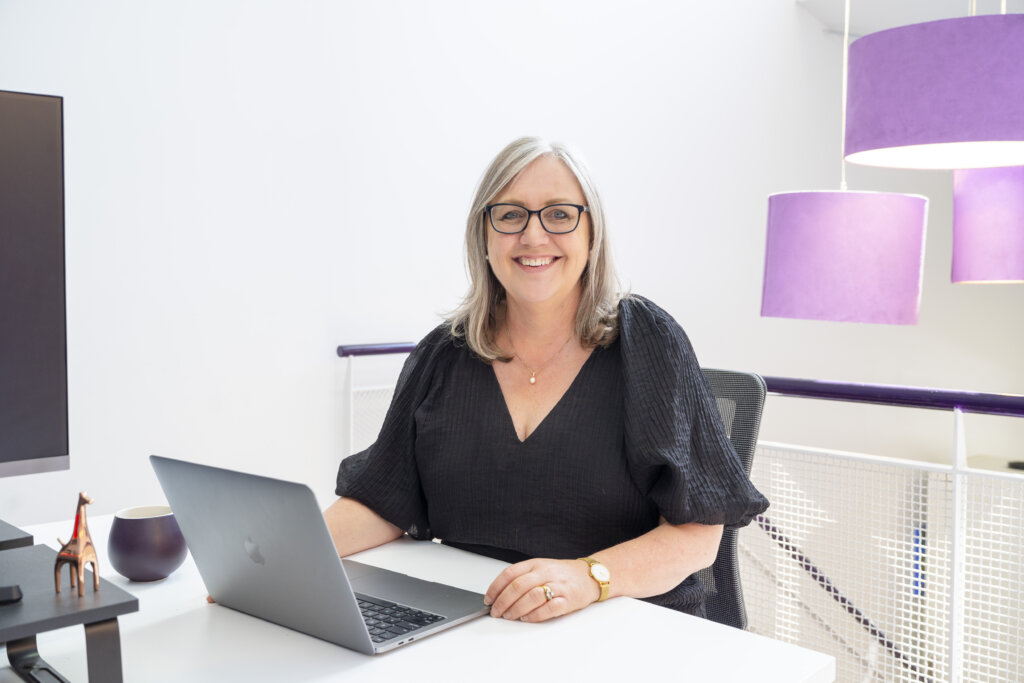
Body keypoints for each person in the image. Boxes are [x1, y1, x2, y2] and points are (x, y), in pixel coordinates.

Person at [325, 136, 768, 623]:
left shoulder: (648, 342)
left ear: (591, 233)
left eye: (559, 214)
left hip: (622, 626)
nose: (533, 236)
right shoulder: (443, 353)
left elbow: (698, 536)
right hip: (474, 624)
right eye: (511, 214)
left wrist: (587, 577)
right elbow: (382, 500)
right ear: (484, 236)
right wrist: (273, 557)